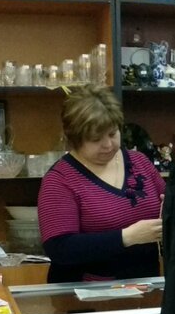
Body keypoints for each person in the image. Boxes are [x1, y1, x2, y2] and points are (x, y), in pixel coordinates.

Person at [38, 88, 165, 282]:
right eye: (96, 139)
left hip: (144, 284)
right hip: (85, 291)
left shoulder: (139, 162)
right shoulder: (60, 179)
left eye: (113, 134)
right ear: (75, 139)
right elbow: (60, 247)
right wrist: (127, 237)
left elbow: (169, 204)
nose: (108, 144)